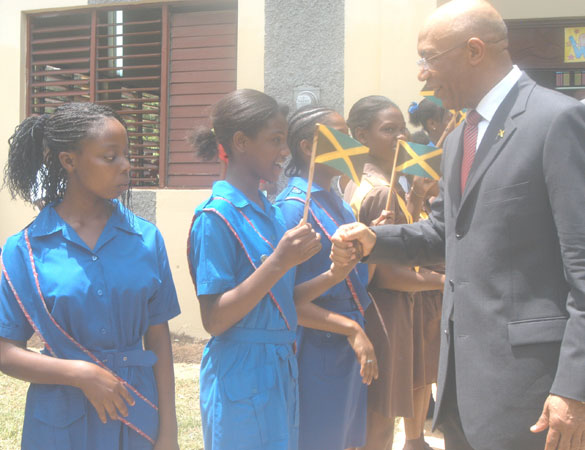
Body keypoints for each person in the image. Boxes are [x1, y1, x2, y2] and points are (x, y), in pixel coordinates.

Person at [332, 1, 585, 449]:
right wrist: (375, 239)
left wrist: (574, 388)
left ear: (473, 50)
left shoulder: (555, 121)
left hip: (533, 393)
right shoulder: (457, 140)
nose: (421, 75)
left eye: (428, 58)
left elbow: (582, 266)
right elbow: (443, 235)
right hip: (461, 392)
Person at [0, 103, 181, 450]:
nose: (126, 166)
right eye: (110, 157)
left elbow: (158, 339)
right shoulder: (24, 249)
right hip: (58, 424)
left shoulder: (146, 239)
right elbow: (6, 351)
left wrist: (168, 432)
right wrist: (79, 373)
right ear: (69, 161)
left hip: (135, 416)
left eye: (127, 155)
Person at [187, 90, 356, 450]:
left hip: (281, 364)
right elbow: (215, 320)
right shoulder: (216, 216)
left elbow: (283, 302)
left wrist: (333, 276)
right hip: (240, 370)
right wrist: (279, 262)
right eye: (275, 140)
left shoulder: (271, 212)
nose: (285, 151)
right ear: (241, 142)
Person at [274, 105, 378, 450]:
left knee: (346, 439)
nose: (352, 143)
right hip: (317, 344)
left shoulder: (338, 200)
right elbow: (286, 301)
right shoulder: (293, 207)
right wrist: (352, 329)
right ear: (308, 146)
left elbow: (358, 279)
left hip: (348, 337)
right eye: (341, 134)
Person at [343, 96, 444, 450]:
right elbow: (387, 274)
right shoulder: (380, 190)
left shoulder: (374, 183)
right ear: (360, 135)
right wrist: (446, 282)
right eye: (389, 130)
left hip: (389, 309)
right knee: (380, 424)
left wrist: (415, 199)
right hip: (385, 312)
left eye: (402, 129)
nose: (401, 137)